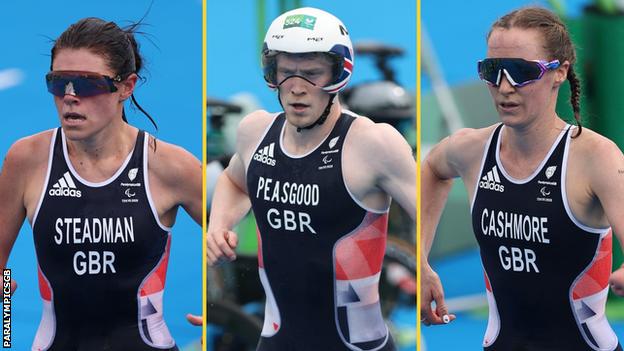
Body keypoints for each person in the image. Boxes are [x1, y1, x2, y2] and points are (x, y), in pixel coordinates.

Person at [206, 7, 415, 351]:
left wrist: (424, 269)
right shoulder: (255, 131)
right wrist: (221, 224)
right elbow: (233, 181)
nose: (297, 89)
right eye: (286, 73)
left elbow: (427, 205)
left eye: (312, 74)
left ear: (339, 74)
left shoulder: (373, 143)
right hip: (276, 340)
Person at [421, 6, 624, 351]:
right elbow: (433, 169)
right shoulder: (472, 150)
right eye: (492, 70)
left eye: (521, 71)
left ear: (559, 72)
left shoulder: (596, 157)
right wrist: (422, 262)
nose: (504, 86)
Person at [0, 17, 202, 350]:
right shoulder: (27, 159)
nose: (69, 97)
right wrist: (5, 324)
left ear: (126, 86)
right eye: (58, 83)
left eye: (86, 84)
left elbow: (234, 225)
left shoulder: (168, 165)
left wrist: (218, 313)